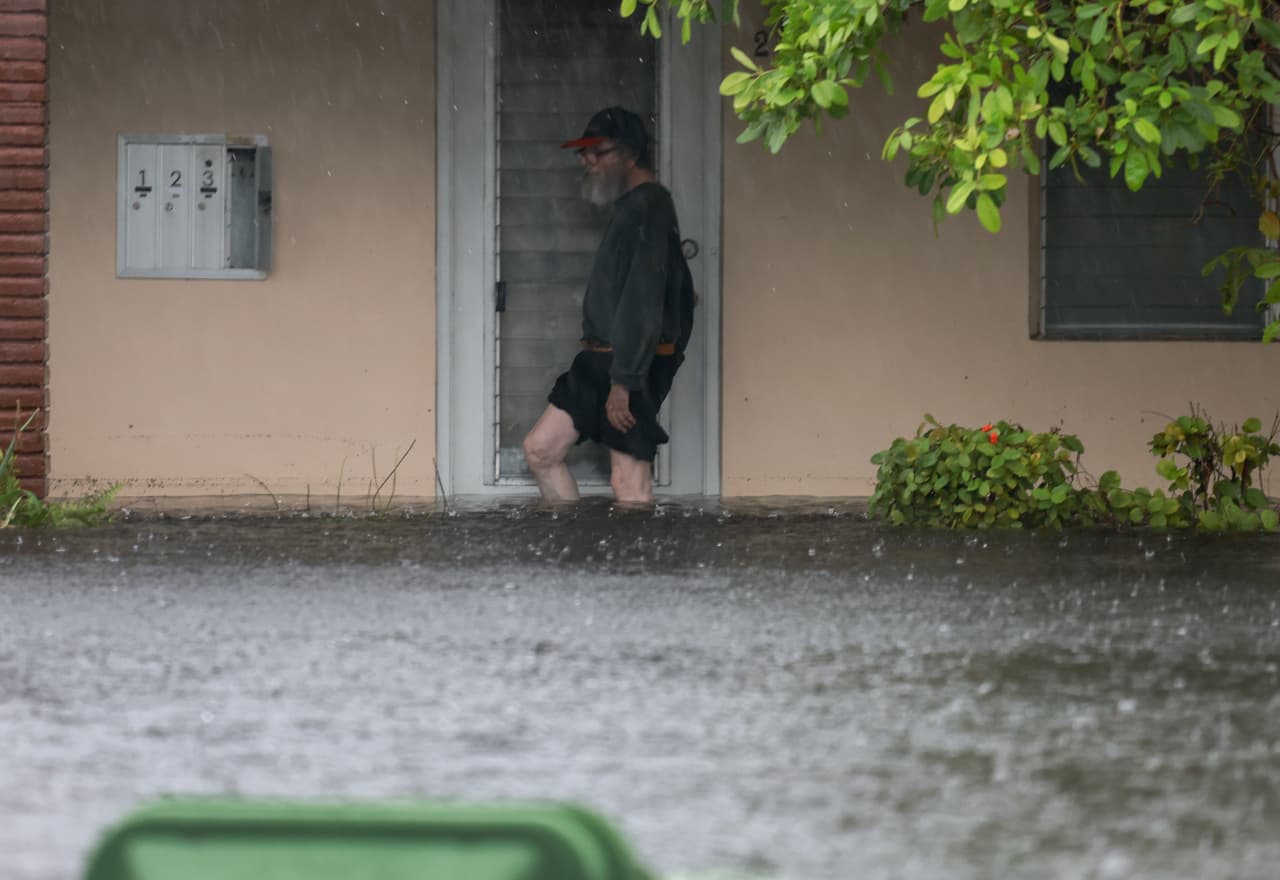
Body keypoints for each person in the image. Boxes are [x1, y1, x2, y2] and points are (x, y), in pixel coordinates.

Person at [522, 106, 695, 504]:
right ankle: (578, 562)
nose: (586, 161)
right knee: (541, 450)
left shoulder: (649, 207)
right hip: (599, 360)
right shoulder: (630, 207)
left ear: (630, 155)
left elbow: (643, 299)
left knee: (629, 483)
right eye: (583, 154)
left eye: (596, 152)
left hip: (633, 364)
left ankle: (635, 567)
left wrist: (625, 380)